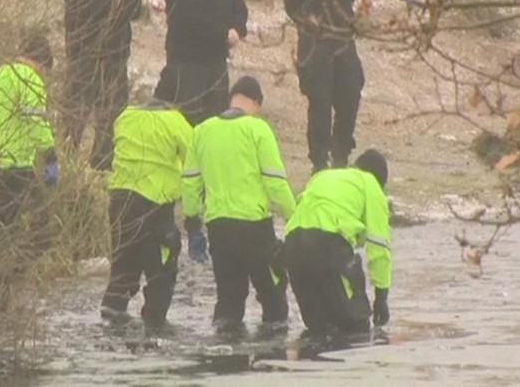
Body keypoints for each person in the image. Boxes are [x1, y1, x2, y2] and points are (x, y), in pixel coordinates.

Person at [181, 76, 296, 331]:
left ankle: (225, 360)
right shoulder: (258, 129)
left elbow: (190, 184)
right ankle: (271, 360)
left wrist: (192, 221)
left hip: (219, 228)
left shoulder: (202, 131)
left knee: (229, 301)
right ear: (256, 103)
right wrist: (295, 218)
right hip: (255, 228)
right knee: (273, 297)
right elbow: (275, 183)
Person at [0, 31, 58, 310]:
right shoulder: (29, 78)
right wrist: (51, 156)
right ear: (41, 64)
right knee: (41, 234)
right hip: (10, 171)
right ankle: (2, 291)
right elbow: (35, 120)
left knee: (1, 236)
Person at [99, 83, 193, 329]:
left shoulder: (125, 117)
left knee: (123, 265)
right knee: (161, 269)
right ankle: (154, 325)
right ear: (173, 103)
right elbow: (193, 164)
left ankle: (112, 314)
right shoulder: (175, 121)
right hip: (153, 207)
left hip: (119, 204)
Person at [60, 0, 143, 170]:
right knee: (75, 111)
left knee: (112, 114)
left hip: (115, 56)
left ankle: (102, 165)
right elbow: (78, 5)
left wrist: (111, 7)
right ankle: (65, 160)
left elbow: (135, 9)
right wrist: (111, 4)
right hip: (82, 54)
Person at [283, 0, 364, 173]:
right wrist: (311, 23)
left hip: (342, 41)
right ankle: (319, 161)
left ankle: (341, 156)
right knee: (319, 104)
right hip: (315, 45)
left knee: (350, 93)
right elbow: (292, 5)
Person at [282, 149, 391, 336]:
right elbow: (379, 247)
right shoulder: (370, 184)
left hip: (293, 246)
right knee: (356, 327)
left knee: (318, 329)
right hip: (328, 245)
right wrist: (381, 298)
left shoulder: (322, 177)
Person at [153, 0, 249, 126]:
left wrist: (237, 29)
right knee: (190, 122)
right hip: (188, 63)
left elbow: (239, 7)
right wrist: (223, 33)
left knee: (218, 122)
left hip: (217, 61)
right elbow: (188, 16)